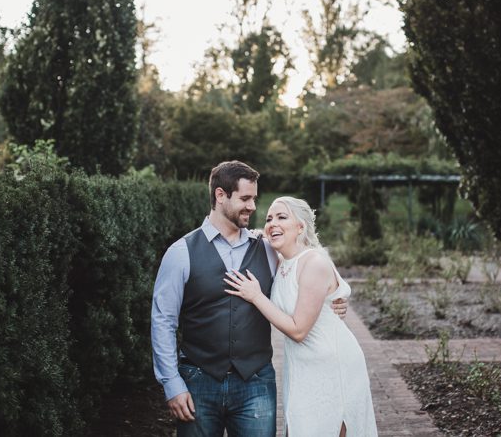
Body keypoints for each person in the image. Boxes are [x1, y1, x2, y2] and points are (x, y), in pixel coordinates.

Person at [151, 161, 347, 437]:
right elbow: (163, 320)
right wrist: (172, 384)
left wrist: (335, 296)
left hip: (256, 383)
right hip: (198, 382)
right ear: (221, 196)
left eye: (254, 198)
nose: (253, 206)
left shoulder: (268, 249)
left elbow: (309, 263)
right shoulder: (181, 252)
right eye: (245, 198)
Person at [224, 196, 377, 437]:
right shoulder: (282, 260)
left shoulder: (313, 262)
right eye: (269, 219)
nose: (273, 223)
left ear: (301, 227)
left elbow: (298, 330)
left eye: (282, 217)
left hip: (331, 363)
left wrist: (256, 296)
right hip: (302, 365)